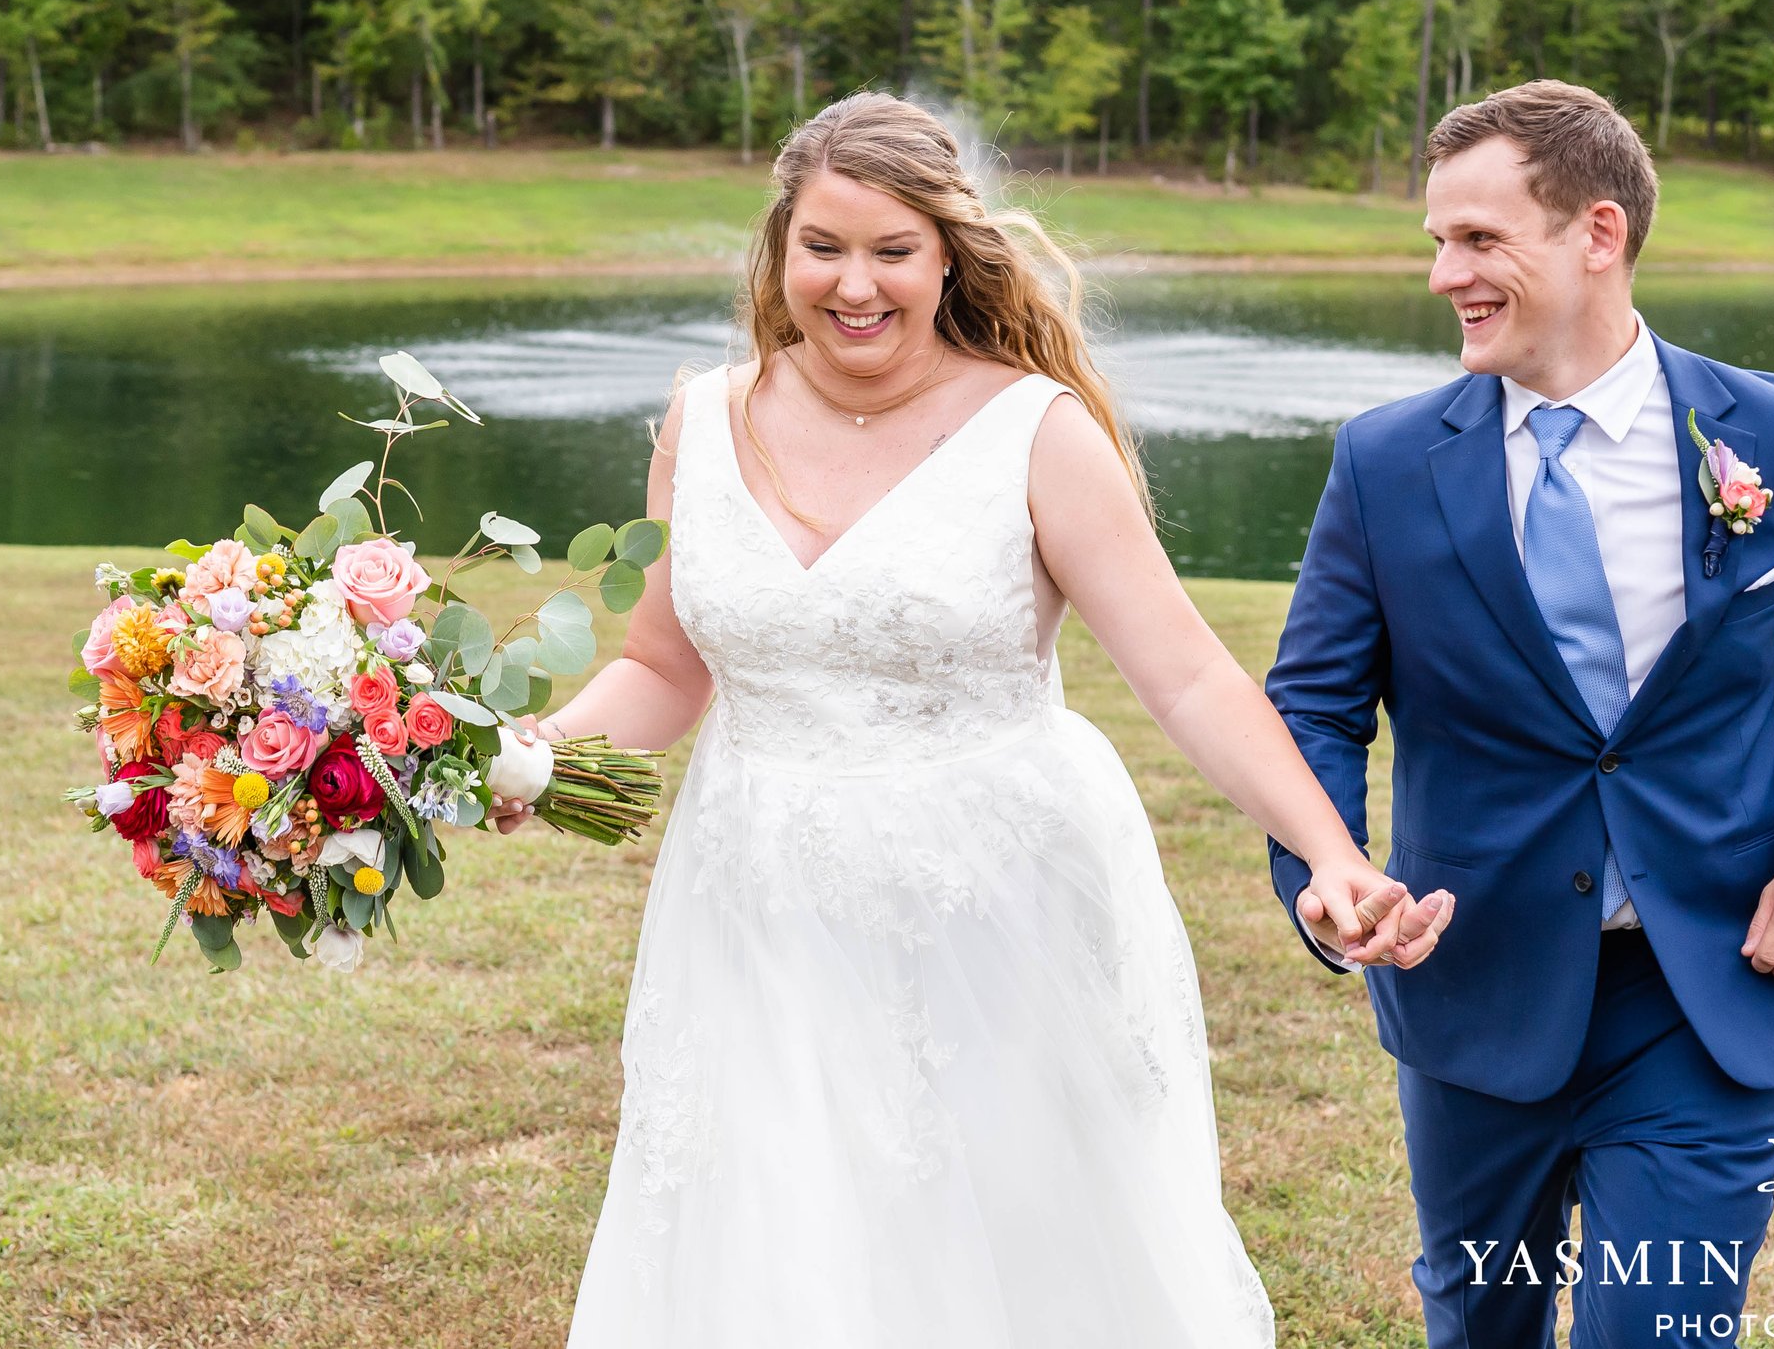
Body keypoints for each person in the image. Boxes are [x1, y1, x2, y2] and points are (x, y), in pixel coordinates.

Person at [497, 91, 1453, 1347]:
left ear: (948, 254)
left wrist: (1332, 855)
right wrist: (534, 755)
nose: (854, 285)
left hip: (991, 905)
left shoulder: (1034, 431)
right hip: (751, 898)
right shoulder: (704, 422)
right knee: (776, 1234)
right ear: (780, 246)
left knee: (1003, 1246)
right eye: (823, 247)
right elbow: (666, 669)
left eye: (892, 251)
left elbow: (1186, 677)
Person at [1264, 80, 1774, 1348]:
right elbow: (1315, 706)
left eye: (1478, 239)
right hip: (1476, 977)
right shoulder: (1385, 462)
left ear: (1596, 234)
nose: (1446, 272)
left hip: (1711, 987)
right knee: (1478, 1325)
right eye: (1437, 242)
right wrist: (1326, 869)